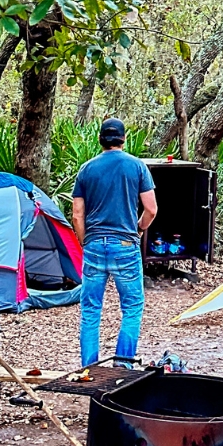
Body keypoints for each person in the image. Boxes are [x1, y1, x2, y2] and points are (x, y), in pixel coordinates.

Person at [71, 118, 158, 367]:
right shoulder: (137, 167)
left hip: (94, 245)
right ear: (124, 139)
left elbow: (77, 214)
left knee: (90, 309)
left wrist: (85, 241)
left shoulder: (86, 169)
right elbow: (151, 209)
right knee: (132, 306)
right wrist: (138, 230)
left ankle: (89, 367)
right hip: (125, 246)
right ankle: (122, 363)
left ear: (100, 139)